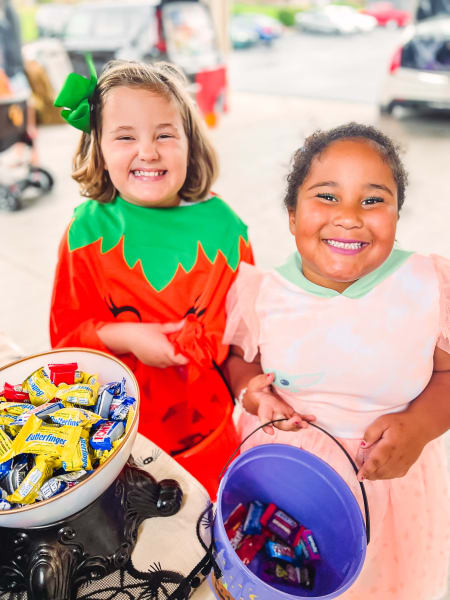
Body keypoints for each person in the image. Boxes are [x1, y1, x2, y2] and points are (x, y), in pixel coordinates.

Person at [223, 123, 450, 600]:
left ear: (397, 214)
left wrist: (419, 428)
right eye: (327, 196)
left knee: (381, 585)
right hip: (287, 481)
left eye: (373, 200)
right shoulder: (264, 294)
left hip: (389, 484)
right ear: (291, 214)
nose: (348, 217)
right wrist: (251, 392)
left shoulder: (427, 285)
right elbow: (240, 361)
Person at [50, 59, 253, 491]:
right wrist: (127, 338)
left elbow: (242, 337)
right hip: (113, 440)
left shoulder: (227, 231)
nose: (148, 151)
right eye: (125, 137)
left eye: (165, 134)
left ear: (190, 144)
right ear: (99, 150)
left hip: (207, 433)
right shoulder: (85, 233)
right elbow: (66, 337)